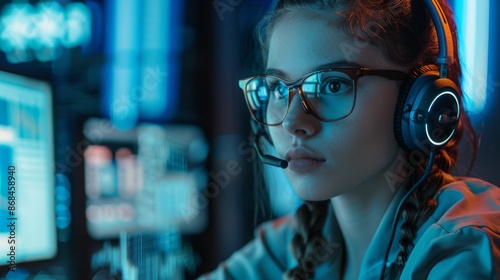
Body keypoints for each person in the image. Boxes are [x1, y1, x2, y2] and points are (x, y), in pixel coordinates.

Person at [200, 0, 500, 279]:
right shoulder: (288, 246)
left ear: (421, 104)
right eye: (279, 89)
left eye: (332, 85)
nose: (292, 122)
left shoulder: (467, 247)